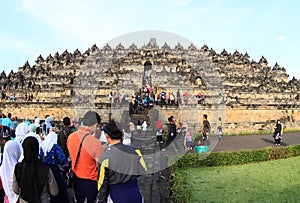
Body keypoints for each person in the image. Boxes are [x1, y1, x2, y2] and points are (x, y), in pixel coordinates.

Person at [95, 120, 147, 203]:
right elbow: (143, 169)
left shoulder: (105, 158)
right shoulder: (136, 151)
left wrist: (101, 200)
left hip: (116, 194)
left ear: (107, 136)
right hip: (134, 192)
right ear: (121, 134)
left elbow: (102, 185)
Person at [67, 111, 102, 203]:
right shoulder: (95, 142)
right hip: (91, 180)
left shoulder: (71, 137)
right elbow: (99, 165)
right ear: (95, 124)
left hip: (76, 178)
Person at [13, 136, 58, 203]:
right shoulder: (45, 169)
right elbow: (54, 192)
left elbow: (15, 190)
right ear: (37, 149)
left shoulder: (18, 168)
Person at [40, 130, 69, 203]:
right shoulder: (55, 147)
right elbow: (62, 159)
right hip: (54, 170)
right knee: (59, 188)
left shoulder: (43, 146)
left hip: (43, 169)